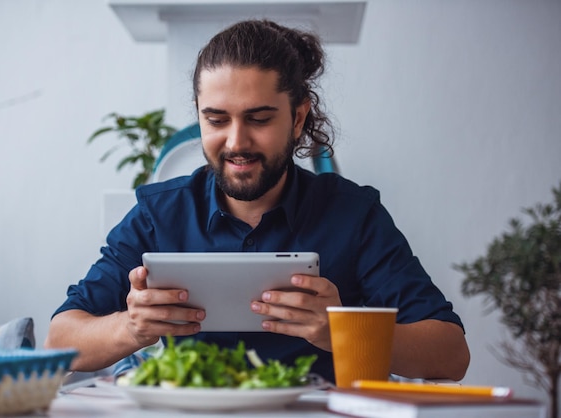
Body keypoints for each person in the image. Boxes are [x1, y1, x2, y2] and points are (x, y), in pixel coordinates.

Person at [45, 19, 470, 383]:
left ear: (298, 117)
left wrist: (341, 331)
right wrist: (131, 328)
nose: (236, 142)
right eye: (216, 119)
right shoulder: (159, 213)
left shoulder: (354, 215)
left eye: (259, 119)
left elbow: (451, 354)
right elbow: (59, 341)